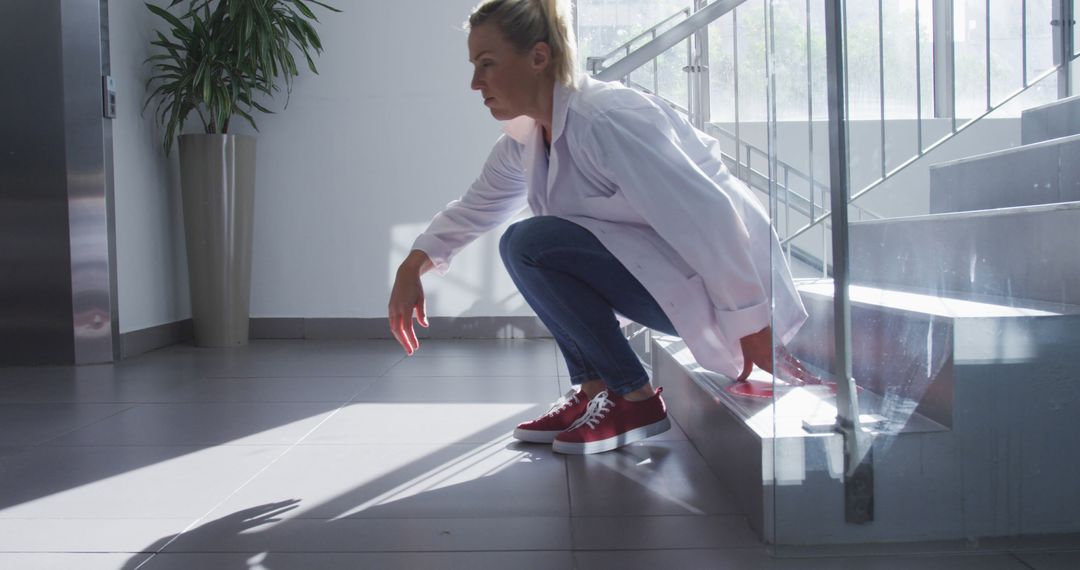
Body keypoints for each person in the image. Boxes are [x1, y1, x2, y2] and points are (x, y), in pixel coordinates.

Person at [388, 0, 807, 455]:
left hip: (721, 285)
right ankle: (595, 393)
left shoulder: (606, 118)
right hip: (669, 282)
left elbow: (709, 215)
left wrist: (752, 321)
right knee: (526, 244)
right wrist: (411, 267)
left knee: (529, 241)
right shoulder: (527, 139)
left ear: (539, 57)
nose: (475, 82)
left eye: (487, 64)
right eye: (474, 66)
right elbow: (475, 207)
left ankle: (634, 398)